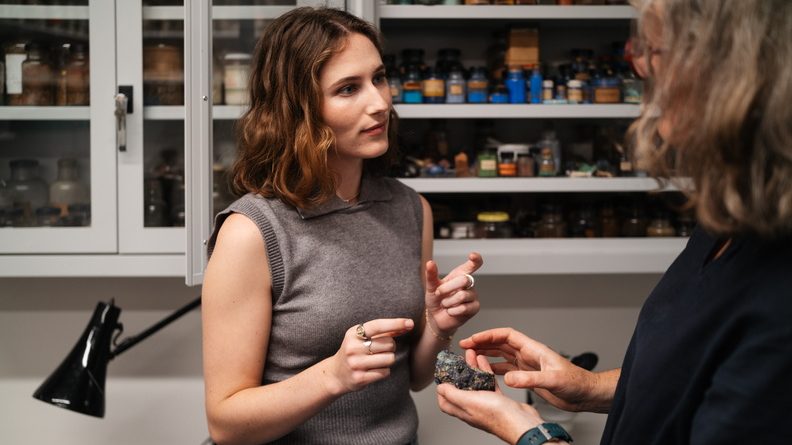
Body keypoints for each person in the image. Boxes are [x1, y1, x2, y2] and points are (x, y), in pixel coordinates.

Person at [437, 0, 792, 444]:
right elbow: (691, 375)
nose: (638, 63)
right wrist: (587, 386)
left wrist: (533, 435)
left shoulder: (779, 295)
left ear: (727, 72)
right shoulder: (732, 217)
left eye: (655, 49)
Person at [201, 7, 483, 445]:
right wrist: (332, 375)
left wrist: (439, 326)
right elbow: (226, 423)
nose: (380, 102)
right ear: (298, 111)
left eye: (379, 78)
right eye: (348, 88)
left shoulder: (411, 209)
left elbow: (415, 378)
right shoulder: (252, 232)